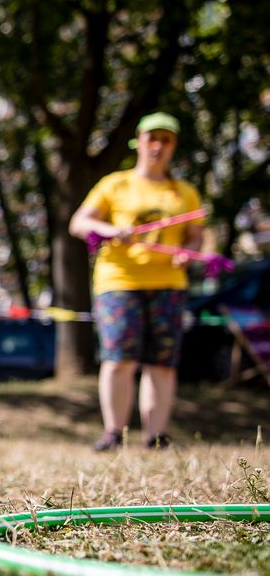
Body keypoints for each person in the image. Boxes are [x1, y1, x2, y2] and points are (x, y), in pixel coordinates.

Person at [68, 111, 205, 451]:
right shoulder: (115, 184)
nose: (158, 145)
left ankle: (156, 436)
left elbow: (196, 237)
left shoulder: (184, 192)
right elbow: (79, 223)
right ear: (139, 142)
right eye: (152, 138)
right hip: (119, 280)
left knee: (162, 361)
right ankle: (114, 433)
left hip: (169, 283)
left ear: (173, 146)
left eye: (166, 139)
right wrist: (111, 230)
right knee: (119, 358)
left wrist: (188, 253)